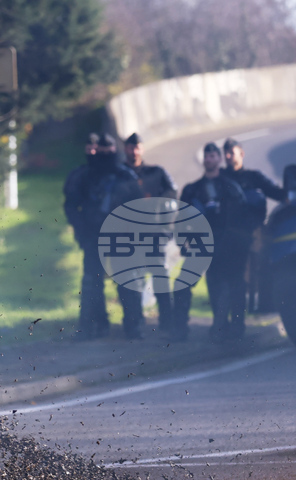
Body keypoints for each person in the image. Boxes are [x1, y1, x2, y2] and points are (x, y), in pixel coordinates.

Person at [64, 133, 143, 340]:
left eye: (109, 152)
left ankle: (133, 326)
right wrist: (82, 230)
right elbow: (71, 205)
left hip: (121, 238)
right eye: (102, 152)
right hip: (93, 236)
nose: (105, 156)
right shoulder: (84, 176)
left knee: (126, 281)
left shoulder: (125, 176)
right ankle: (93, 326)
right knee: (91, 283)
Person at [174, 142, 249, 341]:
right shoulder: (192, 190)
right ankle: (179, 330)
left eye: (213, 156)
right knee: (182, 284)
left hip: (228, 246)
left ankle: (235, 327)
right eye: (206, 156)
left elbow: (241, 217)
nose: (209, 160)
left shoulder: (231, 187)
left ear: (219, 159)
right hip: (201, 245)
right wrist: (183, 243)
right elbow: (181, 219)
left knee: (232, 284)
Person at [221, 138, 288, 313]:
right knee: (232, 276)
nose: (228, 156)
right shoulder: (221, 179)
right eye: (225, 153)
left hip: (253, 232)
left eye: (231, 152)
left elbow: (279, 194)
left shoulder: (254, 177)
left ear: (241, 154)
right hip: (229, 233)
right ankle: (233, 313)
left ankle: (264, 306)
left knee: (262, 266)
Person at [123, 132, 178, 333]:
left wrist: (162, 223)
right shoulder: (119, 174)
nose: (134, 151)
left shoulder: (156, 173)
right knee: (131, 283)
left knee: (161, 279)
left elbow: (172, 195)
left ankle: (168, 324)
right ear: (125, 149)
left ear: (142, 149)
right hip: (129, 238)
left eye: (137, 147)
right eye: (130, 147)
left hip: (154, 236)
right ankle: (134, 325)